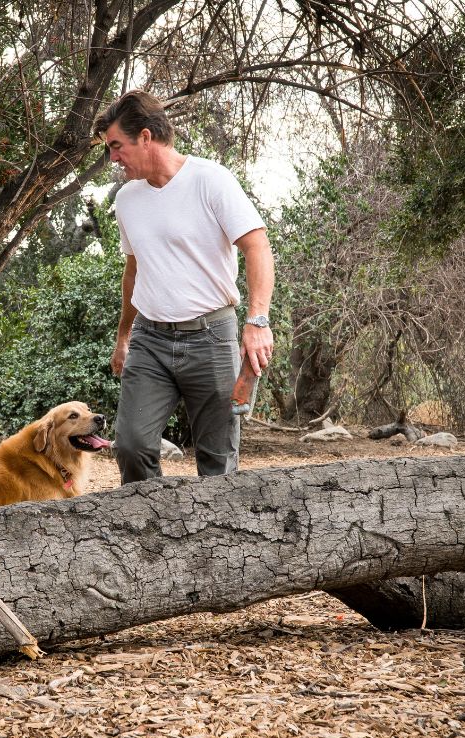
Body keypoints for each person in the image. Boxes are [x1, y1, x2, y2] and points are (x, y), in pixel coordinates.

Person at [95, 90, 275, 484]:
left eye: (116, 146)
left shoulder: (210, 180)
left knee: (217, 461)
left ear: (145, 136)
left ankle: (219, 545)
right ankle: (150, 536)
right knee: (131, 445)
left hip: (212, 337)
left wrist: (257, 321)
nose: (113, 158)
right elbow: (134, 268)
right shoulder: (127, 200)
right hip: (150, 340)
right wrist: (123, 335)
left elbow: (257, 245)